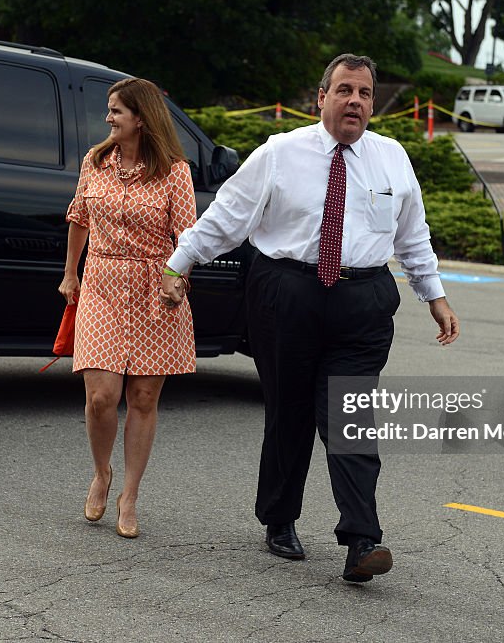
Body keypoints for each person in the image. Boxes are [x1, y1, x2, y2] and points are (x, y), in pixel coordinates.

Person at [160, 54, 459, 582]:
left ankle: (363, 539)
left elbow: (412, 234)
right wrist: (180, 263)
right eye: (344, 90)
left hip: (361, 301)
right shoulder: (281, 152)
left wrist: (433, 295)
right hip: (286, 293)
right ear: (321, 97)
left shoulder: (391, 158)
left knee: (350, 418)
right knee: (290, 414)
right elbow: (229, 215)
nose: (355, 101)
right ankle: (279, 518)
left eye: (365, 93)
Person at [59, 78, 197, 539]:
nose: (108, 118)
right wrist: (70, 273)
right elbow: (79, 218)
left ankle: (130, 495)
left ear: (140, 117)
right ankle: (102, 473)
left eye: (116, 110)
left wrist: (177, 279)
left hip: (154, 289)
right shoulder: (94, 162)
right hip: (101, 283)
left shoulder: (175, 170)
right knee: (101, 396)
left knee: (143, 397)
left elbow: (188, 238)